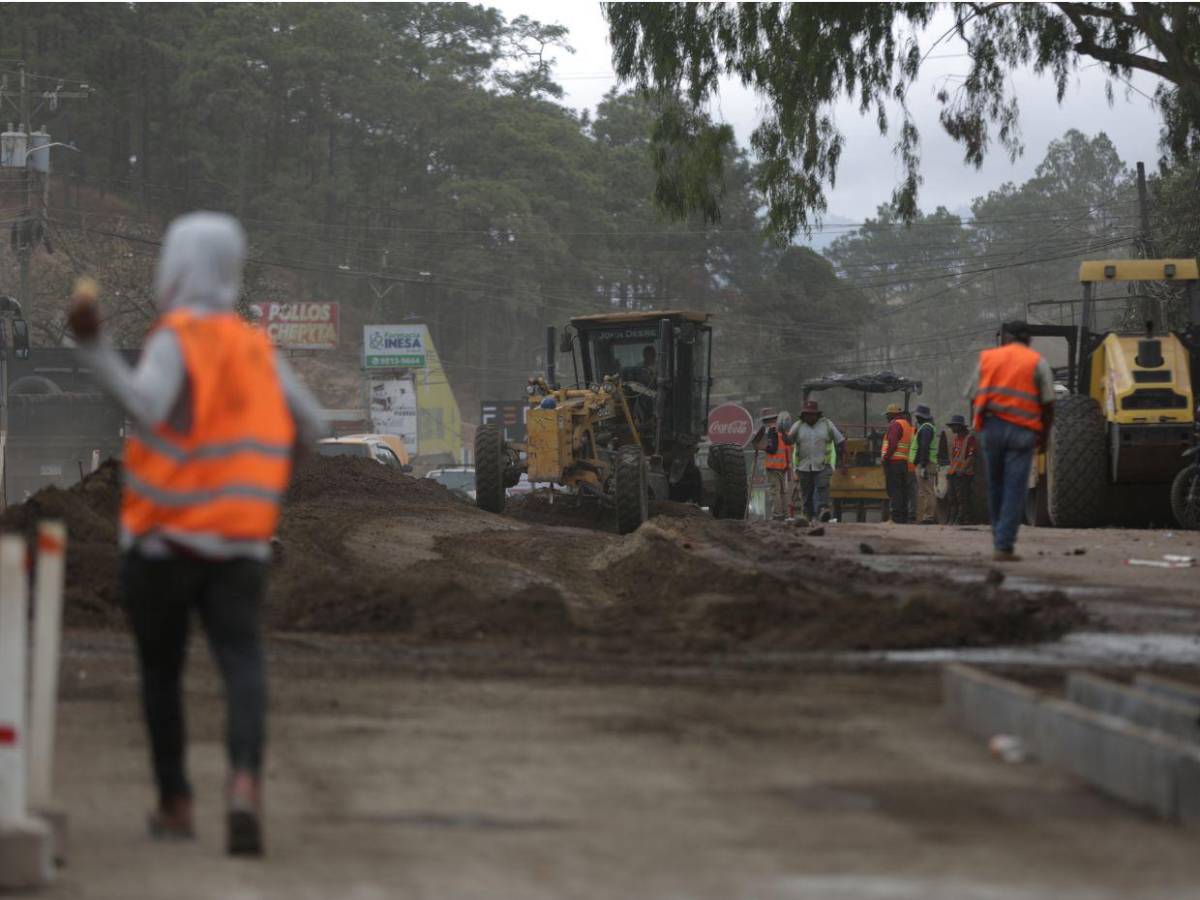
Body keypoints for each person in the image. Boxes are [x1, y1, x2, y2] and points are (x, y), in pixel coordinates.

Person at [67, 212, 327, 856]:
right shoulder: (254, 347)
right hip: (239, 543)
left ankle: (177, 803)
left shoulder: (176, 337)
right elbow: (312, 424)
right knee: (241, 661)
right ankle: (244, 787)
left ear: (177, 265)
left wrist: (94, 348)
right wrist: (270, 483)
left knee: (162, 672)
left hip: (163, 541)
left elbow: (147, 404)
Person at [967, 319, 1055, 561]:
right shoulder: (1036, 362)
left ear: (1006, 338)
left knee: (995, 485)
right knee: (1015, 488)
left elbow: (974, 396)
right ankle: (1003, 544)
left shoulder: (988, 359)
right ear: (1028, 340)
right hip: (1022, 432)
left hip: (992, 430)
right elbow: (1048, 404)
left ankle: (999, 536)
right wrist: (1044, 435)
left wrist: (981, 426)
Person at [784, 399, 846, 521]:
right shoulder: (798, 425)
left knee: (822, 488)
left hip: (823, 465)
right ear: (803, 415)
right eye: (807, 414)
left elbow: (841, 441)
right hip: (803, 466)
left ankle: (823, 510)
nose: (809, 416)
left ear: (817, 414)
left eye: (812, 414)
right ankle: (807, 515)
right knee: (806, 493)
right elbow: (789, 441)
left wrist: (843, 461)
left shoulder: (827, 424)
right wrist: (782, 433)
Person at [752, 408, 790, 519]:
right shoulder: (783, 431)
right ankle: (785, 513)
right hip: (783, 466)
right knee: (782, 492)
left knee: (775, 491)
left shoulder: (772, 432)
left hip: (773, 467)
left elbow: (773, 449)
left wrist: (761, 447)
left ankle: (777, 514)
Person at [880, 403, 914, 523]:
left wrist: (886, 457)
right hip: (903, 463)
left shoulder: (895, 425)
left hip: (893, 462)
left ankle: (896, 517)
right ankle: (902, 517)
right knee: (902, 490)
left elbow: (893, 443)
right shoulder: (907, 425)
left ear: (892, 414)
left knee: (894, 491)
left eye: (887, 415)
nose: (886, 417)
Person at [908, 404, 938, 524]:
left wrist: (923, 466)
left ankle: (928, 517)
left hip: (926, 463)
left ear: (921, 416)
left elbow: (924, 447)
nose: (916, 417)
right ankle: (927, 516)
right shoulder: (926, 428)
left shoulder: (926, 428)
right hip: (925, 462)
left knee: (927, 491)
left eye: (917, 415)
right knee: (925, 490)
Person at [945, 414, 978, 524]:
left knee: (962, 498)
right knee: (952, 498)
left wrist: (963, 470)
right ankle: (952, 520)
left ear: (960, 426)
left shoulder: (970, 438)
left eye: (954, 426)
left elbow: (971, 456)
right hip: (953, 473)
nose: (952, 428)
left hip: (963, 474)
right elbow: (954, 457)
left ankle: (962, 520)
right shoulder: (955, 439)